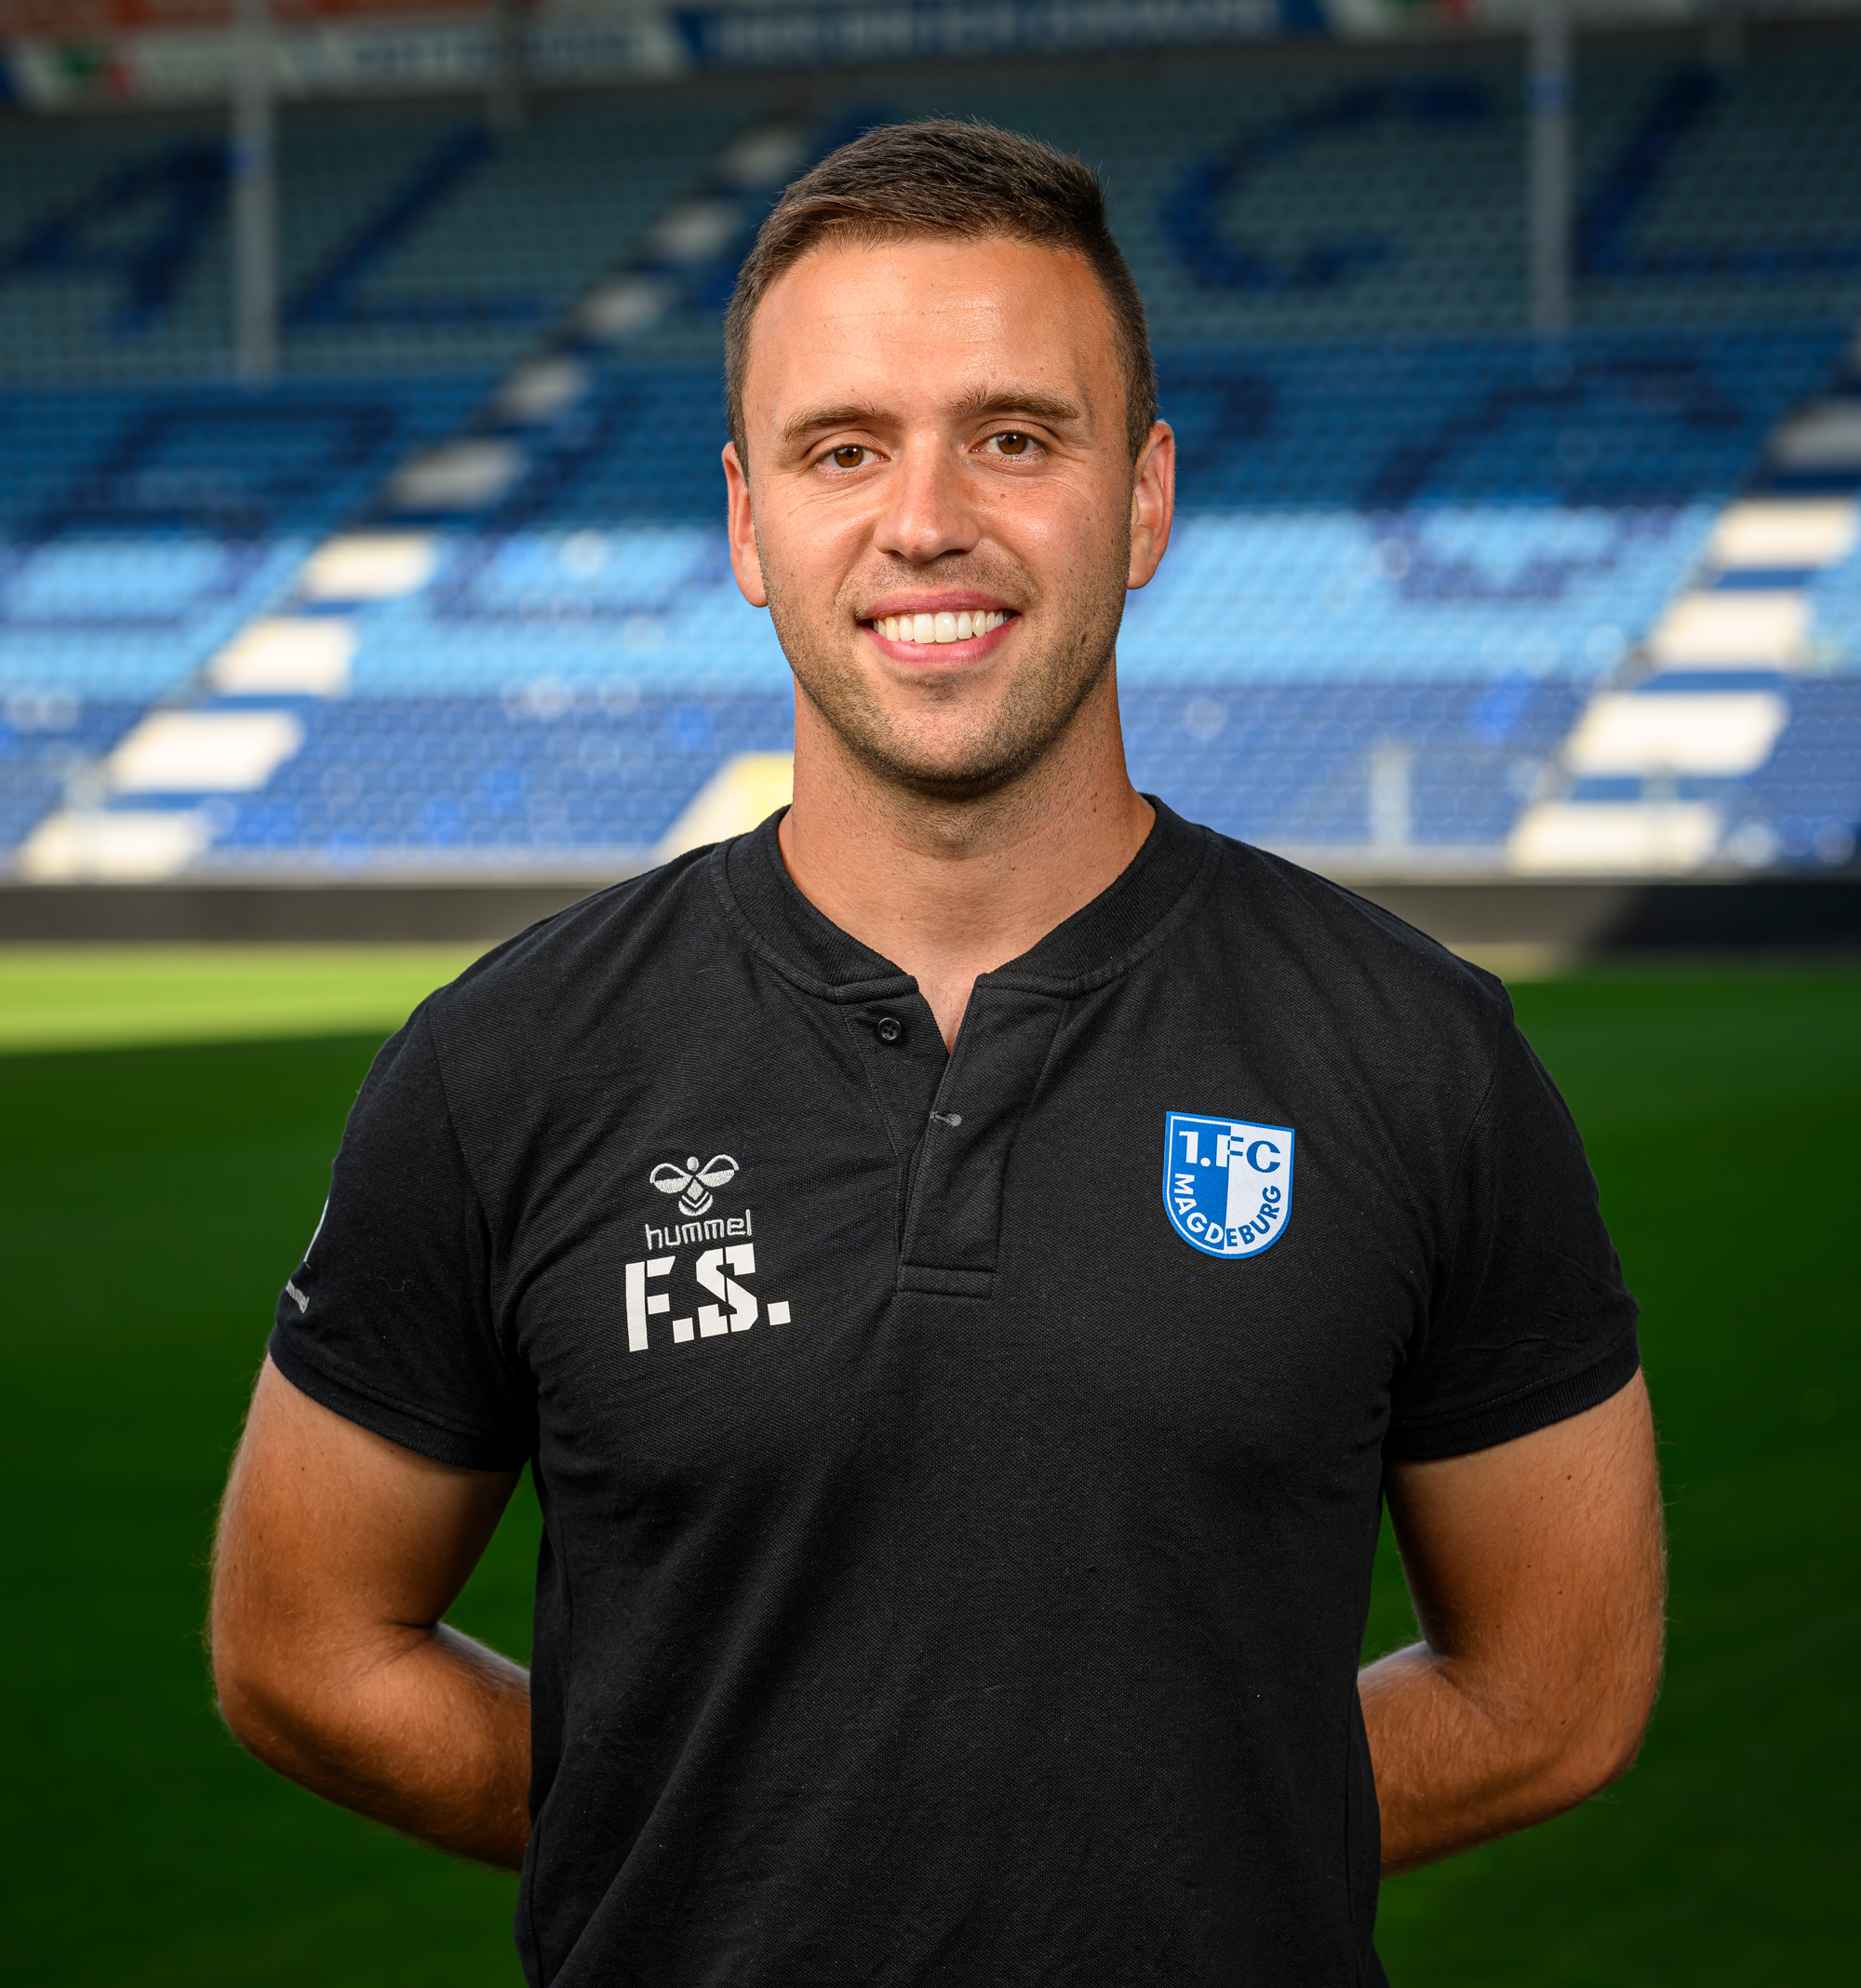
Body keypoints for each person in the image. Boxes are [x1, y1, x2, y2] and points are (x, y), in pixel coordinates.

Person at [211, 121, 1666, 1985]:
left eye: (1014, 435)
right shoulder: (505, 1064)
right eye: (843, 449)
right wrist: (713, 1831)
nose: (924, 521)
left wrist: (1169, 1840)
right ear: (748, 526)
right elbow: (302, 1651)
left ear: (1142, 499)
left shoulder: (1419, 1054)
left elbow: (1557, 1691)